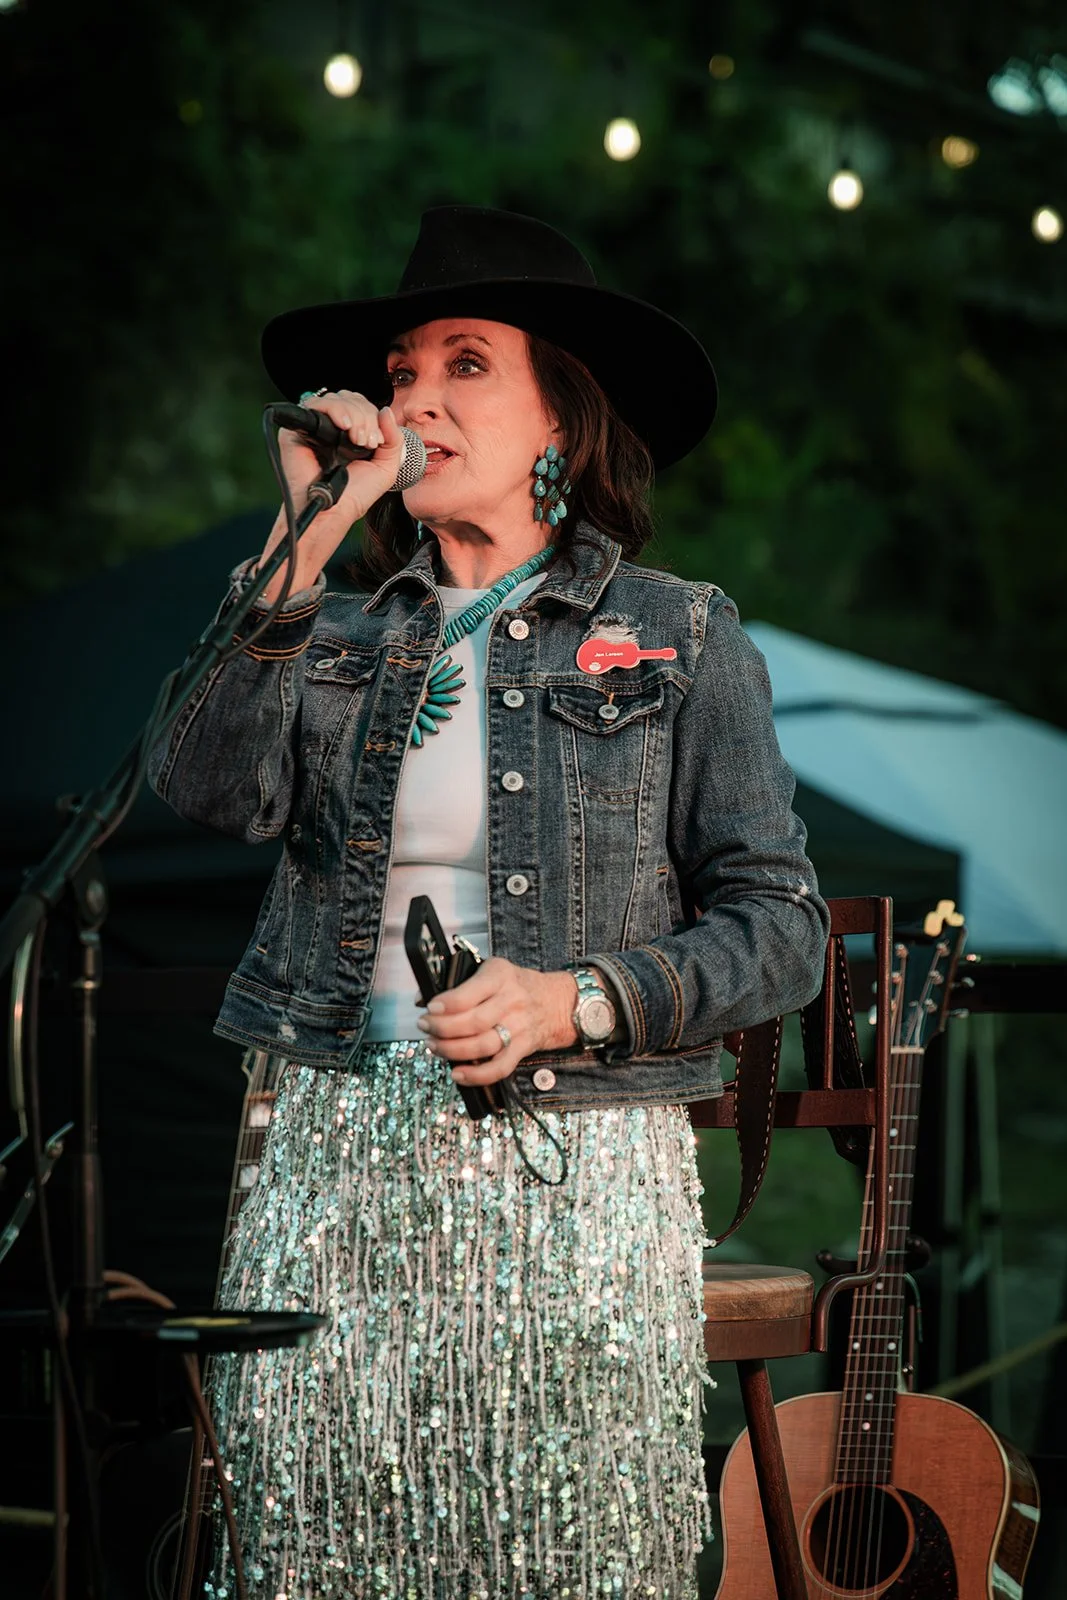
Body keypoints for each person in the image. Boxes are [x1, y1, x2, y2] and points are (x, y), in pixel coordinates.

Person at [149, 205, 829, 1600]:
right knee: (321, 1550)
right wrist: (299, 541)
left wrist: (577, 999)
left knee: (567, 1558)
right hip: (340, 1162)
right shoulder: (333, 630)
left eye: (465, 363)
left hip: (572, 1180)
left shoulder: (679, 630)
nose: (411, 398)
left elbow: (783, 929)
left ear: (560, 428)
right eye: (401, 370)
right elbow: (205, 785)